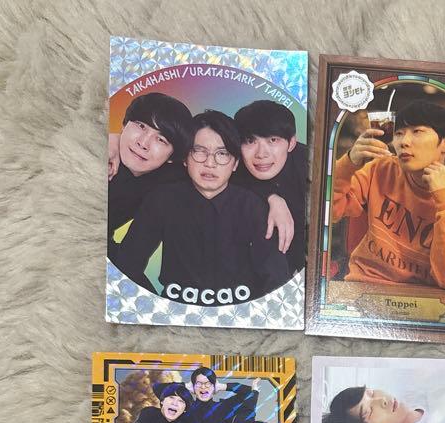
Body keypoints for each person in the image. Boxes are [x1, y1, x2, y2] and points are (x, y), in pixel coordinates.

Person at [111, 109, 291, 305]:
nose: (210, 163)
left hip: (240, 311)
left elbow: (277, 279)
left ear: (235, 163)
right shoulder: (162, 199)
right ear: (185, 159)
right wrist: (157, 306)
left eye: (222, 154)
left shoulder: (252, 205)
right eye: (199, 151)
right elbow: (127, 264)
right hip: (176, 310)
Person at [330, 100, 445, 290]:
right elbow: (329, 211)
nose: (403, 142)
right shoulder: (381, 168)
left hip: (426, 298)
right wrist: (349, 163)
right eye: (399, 133)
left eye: (417, 132)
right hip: (365, 285)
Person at [107, 92, 192, 262]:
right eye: (141, 126)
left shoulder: (170, 176)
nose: (143, 143)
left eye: (161, 139)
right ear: (124, 125)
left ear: (172, 157)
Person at [232, 99, 308, 276]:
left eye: (273, 140)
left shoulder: (310, 164)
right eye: (250, 141)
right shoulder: (230, 165)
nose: (261, 154)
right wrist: (272, 197)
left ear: (291, 143)